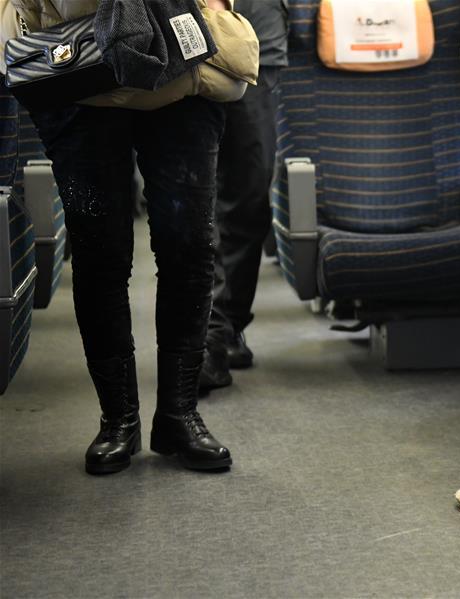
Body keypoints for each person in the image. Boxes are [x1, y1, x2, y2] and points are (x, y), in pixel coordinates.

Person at [0, 0, 252, 474]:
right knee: (99, 253)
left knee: (190, 247)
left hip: (184, 68)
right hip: (79, 63)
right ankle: (119, 419)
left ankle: (179, 414)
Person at [200, 0, 289, 391]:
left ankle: (230, 323)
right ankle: (207, 338)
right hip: (178, 34)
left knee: (250, 195)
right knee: (195, 196)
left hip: (255, 35)